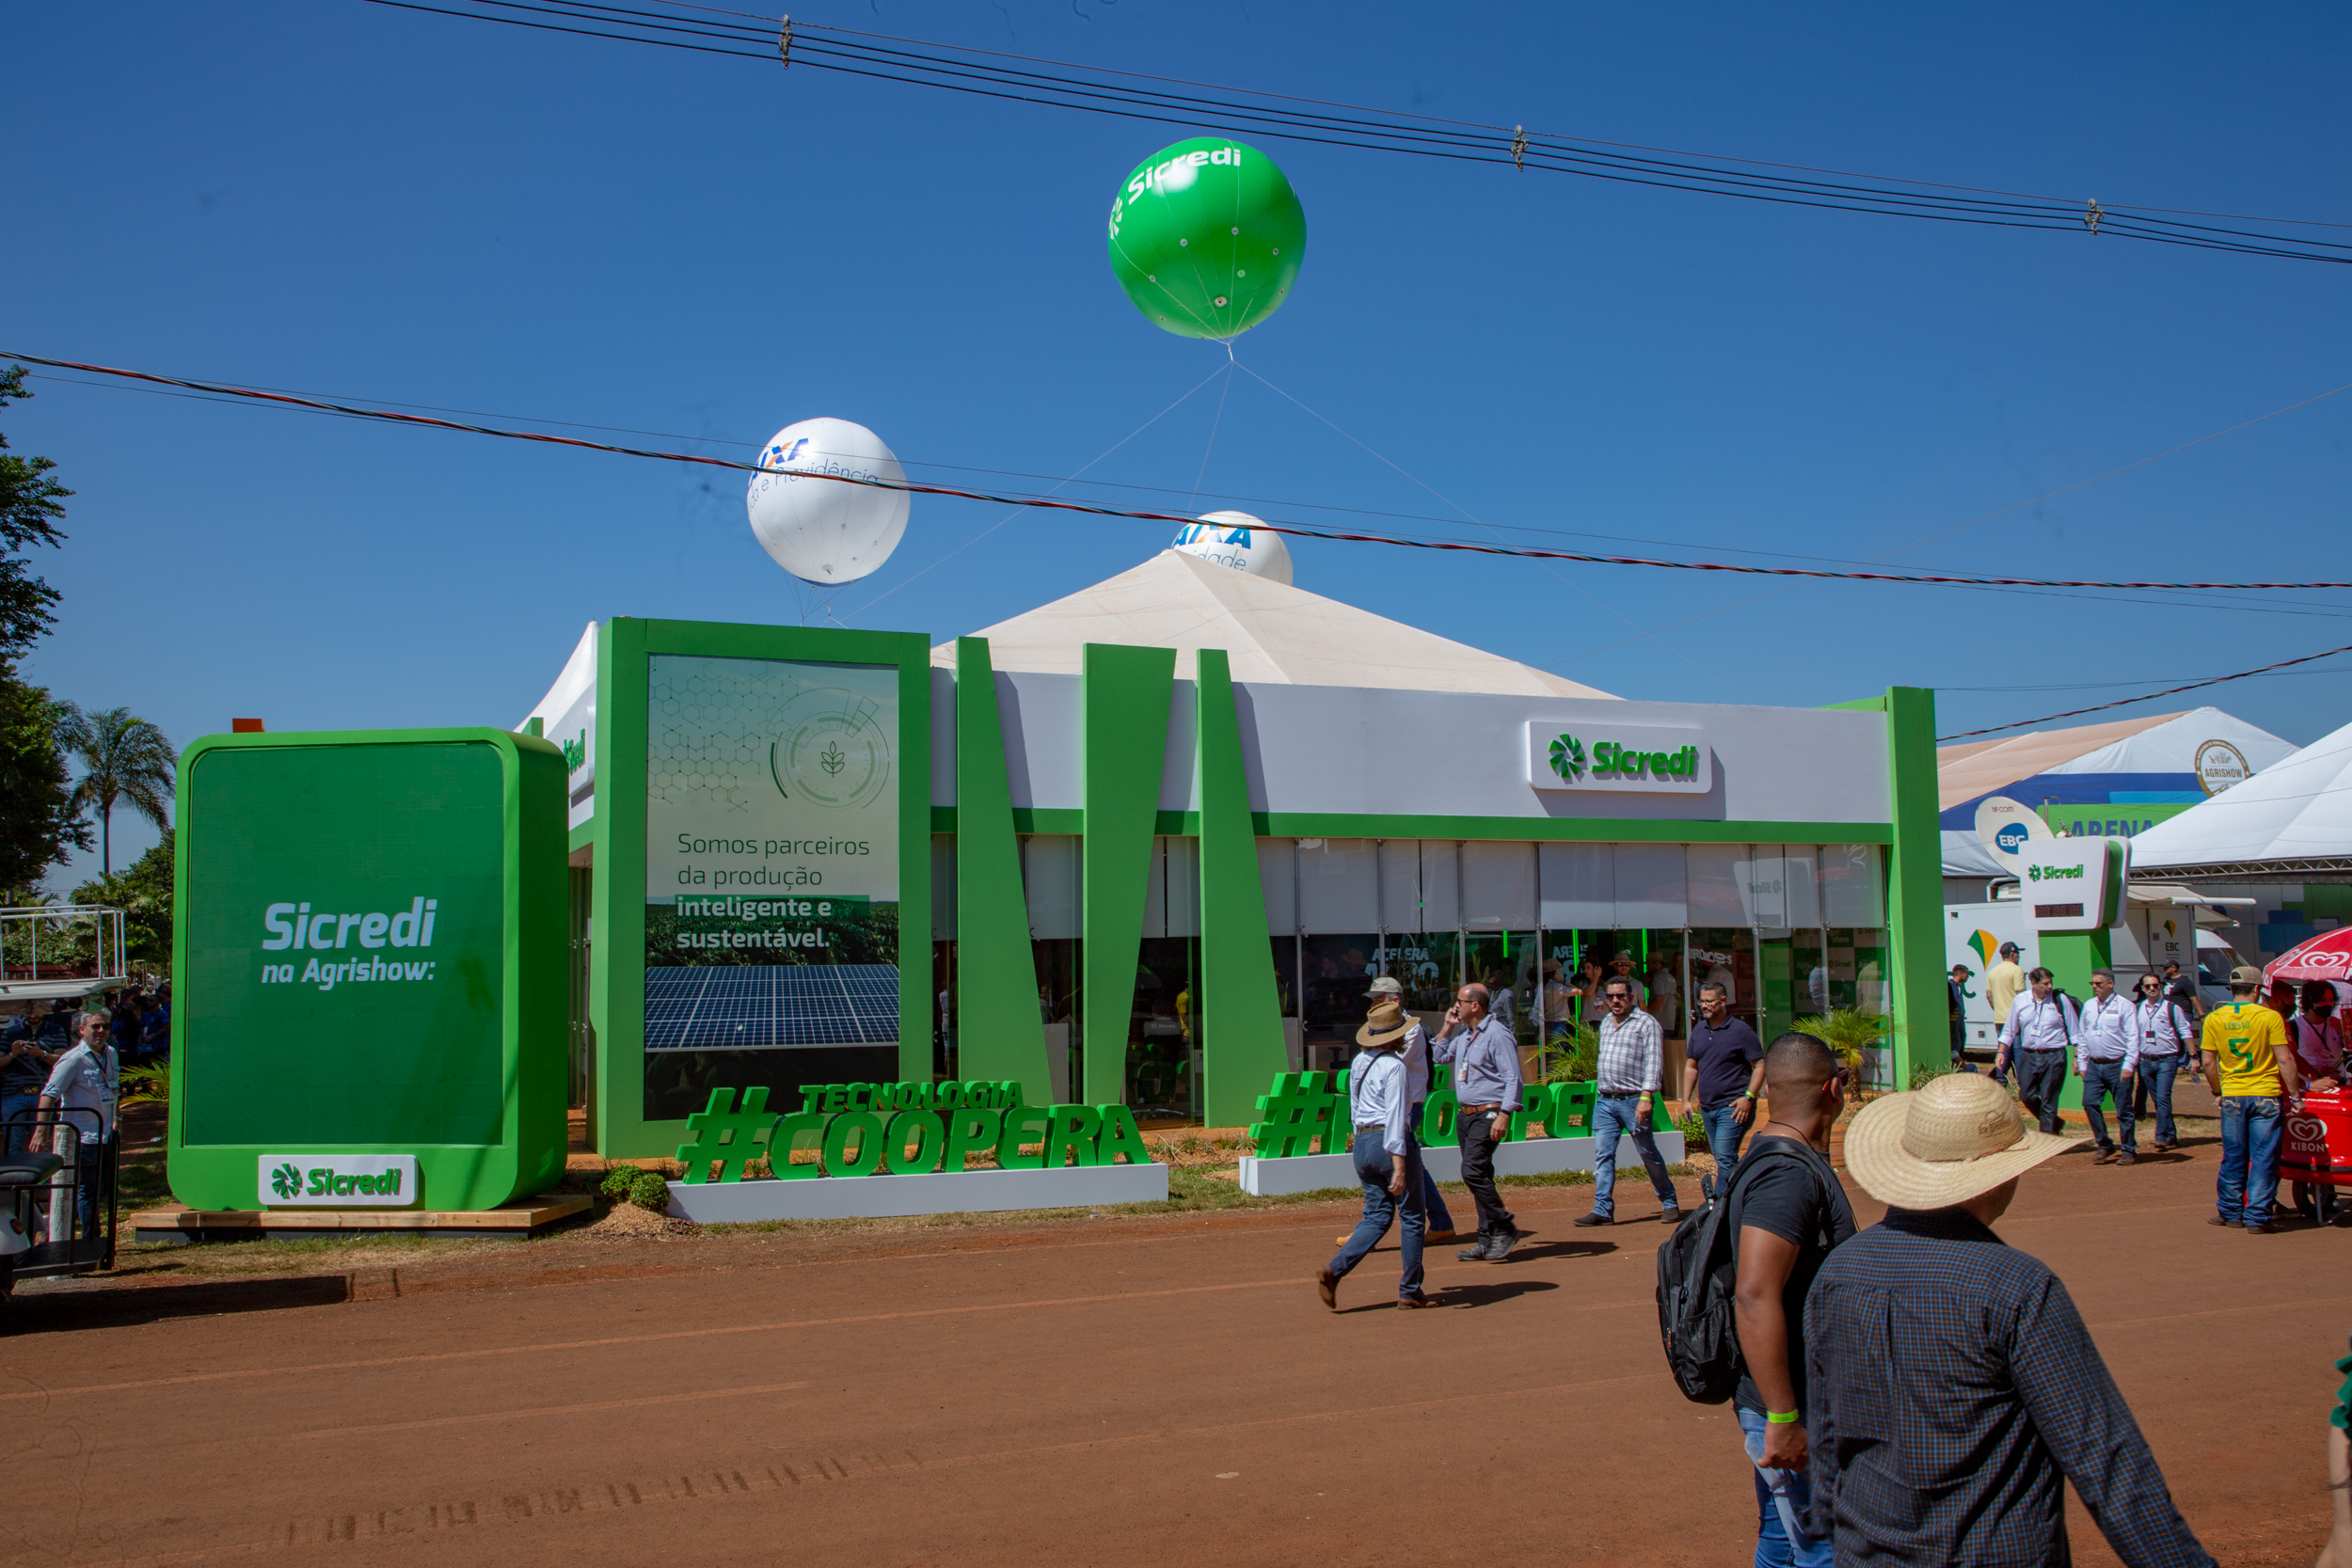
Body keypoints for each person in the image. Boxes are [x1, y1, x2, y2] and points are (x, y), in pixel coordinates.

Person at [1808, 1071, 2214, 1566]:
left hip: (1868, 1549)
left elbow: (1826, 1429)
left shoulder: (1838, 1271)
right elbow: (2104, 1457)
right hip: (1991, 1552)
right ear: (1998, 1174)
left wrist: (1831, 1523)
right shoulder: (2015, 1286)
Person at [1728, 1032, 1854, 1568]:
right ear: (1832, 1088)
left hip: (1782, 1400)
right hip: (1789, 1402)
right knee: (1826, 1550)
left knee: (1782, 1540)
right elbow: (1754, 1295)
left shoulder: (1775, 1156)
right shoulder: (1788, 1176)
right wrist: (1784, 1415)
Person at [1314, 998, 1435, 1310]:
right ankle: (1410, 1290)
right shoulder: (1395, 1067)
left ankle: (1335, 1269)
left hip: (1363, 1144)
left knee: (1378, 1215)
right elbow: (1396, 1115)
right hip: (1388, 1143)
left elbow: (1355, 1107)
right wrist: (1399, 1163)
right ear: (1399, 1036)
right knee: (1411, 1217)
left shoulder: (1359, 1062)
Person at [1353, 975, 1458, 1244]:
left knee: (1409, 1169)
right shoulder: (1385, 1029)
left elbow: (1387, 1064)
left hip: (1406, 1109)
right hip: (1393, 1109)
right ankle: (1441, 1222)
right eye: (1373, 1000)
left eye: (1378, 999)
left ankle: (1369, 1229)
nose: (1373, 1005)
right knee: (1414, 1168)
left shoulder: (1407, 1031)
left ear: (1395, 1001)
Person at [2201, 964, 2300, 1233]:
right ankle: (2257, 1217)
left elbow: (2208, 1062)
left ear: (2231, 989)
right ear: (2257, 989)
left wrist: (2217, 1091)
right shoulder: (2270, 1017)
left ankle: (2230, 1211)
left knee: (2233, 1156)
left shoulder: (2214, 1018)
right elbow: (2285, 1059)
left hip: (2233, 1094)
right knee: (2264, 1157)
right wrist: (2295, 1094)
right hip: (2265, 1094)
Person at [1430, 982, 1525, 1261]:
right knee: (1480, 1175)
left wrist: (1505, 1114)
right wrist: (1447, 1027)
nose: (1455, 1006)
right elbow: (1438, 1056)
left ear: (1476, 1006)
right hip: (1467, 1115)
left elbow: (1513, 1078)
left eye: (1459, 1001)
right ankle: (1486, 1240)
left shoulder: (1497, 1034)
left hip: (1490, 1112)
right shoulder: (1465, 1035)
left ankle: (1505, 1226)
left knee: (1472, 1172)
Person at [1575, 974, 1679, 1227]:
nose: (1615, 1001)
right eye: (1610, 997)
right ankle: (1602, 1208)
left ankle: (1668, 1201)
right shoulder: (1606, 1023)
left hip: (1634, 1101)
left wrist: (1646, 1097)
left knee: (1647, 1152)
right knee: (1603, 1154)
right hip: (1605, 1101)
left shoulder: (1646, 1023)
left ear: (1631, 997)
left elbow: (1654, 1062)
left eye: (1620, 996)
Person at [32, 1008, 119, 1241]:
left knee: (102, 1188)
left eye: (105, 1026)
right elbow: (49, 1094)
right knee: (87, 1190)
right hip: (83, 1136)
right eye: (95, 1026)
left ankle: (82, 1235)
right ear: (81, 1030)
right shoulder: (72, 1060)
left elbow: (113, 1089)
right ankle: (90, 1240)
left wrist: (116, 1120)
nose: (101, 1031)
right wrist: (41, 1131)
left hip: (106, 1134)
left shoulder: (111, 1053)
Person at [1677, 979, 1764, 1199]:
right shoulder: (1698, 1030)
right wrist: (1685, 1100)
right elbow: (1691, 1066)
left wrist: (1749, 1097)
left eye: (1709, 1002)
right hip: (1707, 1108)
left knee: (1725, 1158)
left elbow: (1760, 1065)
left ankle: (1720, 1207)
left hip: (1732, 1107)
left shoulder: (1741, 1031)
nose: (1704, 1006)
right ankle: (1743, 1196)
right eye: (1701, 1001)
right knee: (1722, 1158)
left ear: (1723, 1001)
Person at [1994, 967, 2079, 1136]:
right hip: (2029, 1055)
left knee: (2049, 1098)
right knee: (2026, 1095)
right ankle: (2055, 1122)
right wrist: (2001, 1052)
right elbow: (2010, 1029)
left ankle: (2047, 1137)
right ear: (2033, 983)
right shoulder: (2020, 1000)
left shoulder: (2060, 1000)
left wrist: (2078, 1057)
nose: (2050, 986)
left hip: (2054, 1056)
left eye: (2051, 983)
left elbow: (2075, 1032)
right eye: (2045, 983)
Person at [2076, 968, 2140, 1165]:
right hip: (2095, 1065)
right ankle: (2104, 1143)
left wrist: (2129, 1064)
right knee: (2089, 1102)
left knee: (2123, 1109)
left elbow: (2133, 1037)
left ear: (2110, 984)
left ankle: (2128, 1149)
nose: (2095, 987)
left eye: (2098, 984)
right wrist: (2082, 1062)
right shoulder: (2088, 1006)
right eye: (2092, 984)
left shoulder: (2125, 1006)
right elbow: (2082, 1034)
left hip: (2117, 1064)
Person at [2133, 971, 2196, 1151]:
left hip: (2167, 1060)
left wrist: (2193, 1057)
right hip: (2146, 1061)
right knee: (2158, 1100)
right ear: (2143, 989)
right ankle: (2171, 1134)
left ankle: (2160, 1136)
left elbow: (2185, 1032)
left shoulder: (2172, 1008)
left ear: (2161, 987)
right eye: (2148, 986)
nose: (2152, 989)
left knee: (2162, 1097)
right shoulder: (2137, 1009)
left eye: (2155, 986)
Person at [1, 1003, 63, 1157]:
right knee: (12, 1145)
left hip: (43, 1095)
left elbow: (62, 1061)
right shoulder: (11, 1032)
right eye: (29, 1012)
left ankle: (43, 1180)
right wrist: (13, 1054)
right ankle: (14, 1181)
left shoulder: (56, 1030)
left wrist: (41, 1054)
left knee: (41, 1144)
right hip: (13, 1095)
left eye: (36, 1012)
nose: (33, 1016)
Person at [2289, 981, 2346, 1092]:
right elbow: (2287, 1059)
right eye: (2323, 1000)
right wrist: (2312, 1070)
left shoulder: (2338, 1024)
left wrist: (2343, 1032)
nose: (2329, 1004)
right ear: (2310, 1001)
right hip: (2310, 1089)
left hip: (2338, 1086)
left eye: (2332, 1000)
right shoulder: (2294, 1027)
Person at [1985, 941, 2028, 1030]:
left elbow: (1989, 996)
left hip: (1999, 1019)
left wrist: (1999, 1011)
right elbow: (2020, 995)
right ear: (2012, 954)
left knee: (2003, 1043)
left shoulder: (1992, 971)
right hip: (2014, 1019)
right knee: (2017, 1044)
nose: (2019, 957)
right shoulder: (2017, 970)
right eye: (2018, 954)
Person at [1647, 955, 1680, 1038]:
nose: (1647, 968)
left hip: (1659, 1021)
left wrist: (1645, 1011)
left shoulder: (1658, 977)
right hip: (1670, 1022)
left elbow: (1659, 999)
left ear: (1657, 964)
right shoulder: (1671, 977)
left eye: (1649, 964)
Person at [1947, 963, 1973, 1071]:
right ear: (1961, 974)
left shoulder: (1958, 987)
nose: (1968, 977)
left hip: (1960, 1022)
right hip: (1954, 1024)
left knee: (1961, 1040)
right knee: (1955, 1043)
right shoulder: (1950, 986)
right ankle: (1955, 1067)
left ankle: (1959, 1067)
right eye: (1967, 974)